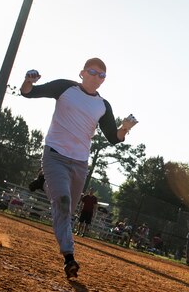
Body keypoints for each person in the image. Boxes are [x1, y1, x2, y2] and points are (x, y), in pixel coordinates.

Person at [21, 57, 138, 278]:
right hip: (54, 156)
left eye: (101, 75)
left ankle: (44, 183)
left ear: (104, 81)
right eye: (92, 72)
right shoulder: (65, 87)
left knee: (68, 209)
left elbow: (114, 138)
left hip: (79, 163)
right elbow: (29, 92)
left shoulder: (103, 105)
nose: (96, 77)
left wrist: (125, 127)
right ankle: (69, 257)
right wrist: (28, 81)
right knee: (63, 204)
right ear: (82, 73)